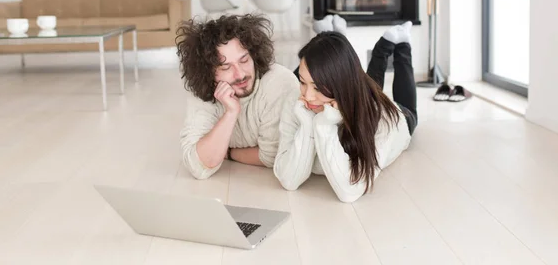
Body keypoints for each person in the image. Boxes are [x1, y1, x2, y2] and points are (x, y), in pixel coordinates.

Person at [274, 22, 417, 203]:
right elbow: (289, 180)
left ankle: (402, 43)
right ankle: (384, 43)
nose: (308, 96)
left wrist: (324, 125)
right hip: (354, 96)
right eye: (302, 82)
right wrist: (308, 123)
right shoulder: (298, 101)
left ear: (340, 85)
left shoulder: (383, 119)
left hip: (401, 118)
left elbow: (349, 192)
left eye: (317, 87)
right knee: (367, 84)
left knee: (408, 108)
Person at [176, 14, 299, 180]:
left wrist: (229, 153)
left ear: (254, 55)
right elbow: (198, 166)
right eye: (226, 67)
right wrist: (231, 112)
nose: (240, 74)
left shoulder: (278, 82)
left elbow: (271, 157)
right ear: (208, 72)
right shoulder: (203, 90)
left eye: (244, 60)